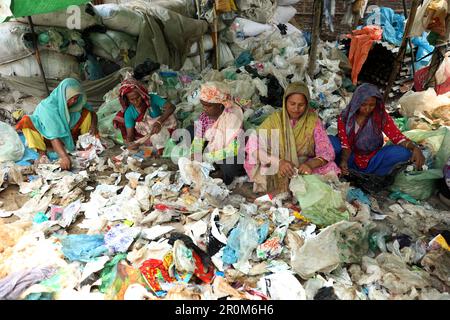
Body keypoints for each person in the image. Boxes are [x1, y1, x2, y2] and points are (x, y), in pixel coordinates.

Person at [245, 82, 340, 194]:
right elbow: (252, 146)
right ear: (285, 102)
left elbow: (326, 151)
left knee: (331, 168)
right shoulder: (274, 120)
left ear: (307, 104)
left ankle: (297, 187)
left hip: (302, 165)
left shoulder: (313, 121)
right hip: (276, 163)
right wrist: (279, 162)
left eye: (301, 105)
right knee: (255, 164)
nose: (296, 109)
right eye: (292, 104)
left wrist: (310, 165)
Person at [329, 83, 425, 178]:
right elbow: (345, 144)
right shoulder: (345, 117)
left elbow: (397, 137)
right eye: (363, 105)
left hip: (373, 159)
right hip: (350, 157)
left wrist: (414, 148)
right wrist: (344, 161)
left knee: (403, 153)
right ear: (356, 102)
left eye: (371, 105)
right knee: (330, 142)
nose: (367, 109)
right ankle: (342, 168)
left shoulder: (380, 116)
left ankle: (374, 176)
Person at [16, 78, 98, 170]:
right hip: (47, 137)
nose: (73, 102)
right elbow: (54, 136)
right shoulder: (48, 108)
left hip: (70, 134)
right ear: (63, 96)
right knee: (26, 121)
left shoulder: (76, 103)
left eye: (76, 98)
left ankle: (83, 143)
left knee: (86, 113)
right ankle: (42, 153)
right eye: (71, 99)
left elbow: (92, 112)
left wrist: (93, 125)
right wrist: (64, 157)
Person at [189, 81, 246, 185]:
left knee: (230, 165)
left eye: (208, 106)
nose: (204, 109)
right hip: (213, 149)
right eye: (203, 105)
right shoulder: (205, 116)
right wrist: (195, 153)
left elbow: (233, 149)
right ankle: (213, 169)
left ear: (220, 106)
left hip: (231, 151)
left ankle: (222, 175)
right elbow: (199, 137)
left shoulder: (233, 117)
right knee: (190, 130)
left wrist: (206, 157)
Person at [113, 78, 176, 152]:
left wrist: (159, 122)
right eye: (132, 99)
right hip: (149, 134)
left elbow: (171, 107)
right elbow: (130, 135)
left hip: (162, 125)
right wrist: (131, 143)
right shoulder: (129, 113)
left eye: (138, 97)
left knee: (171, 118)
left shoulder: (152, 98)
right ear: (128, 100)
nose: (136, 101)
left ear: (142, 94)